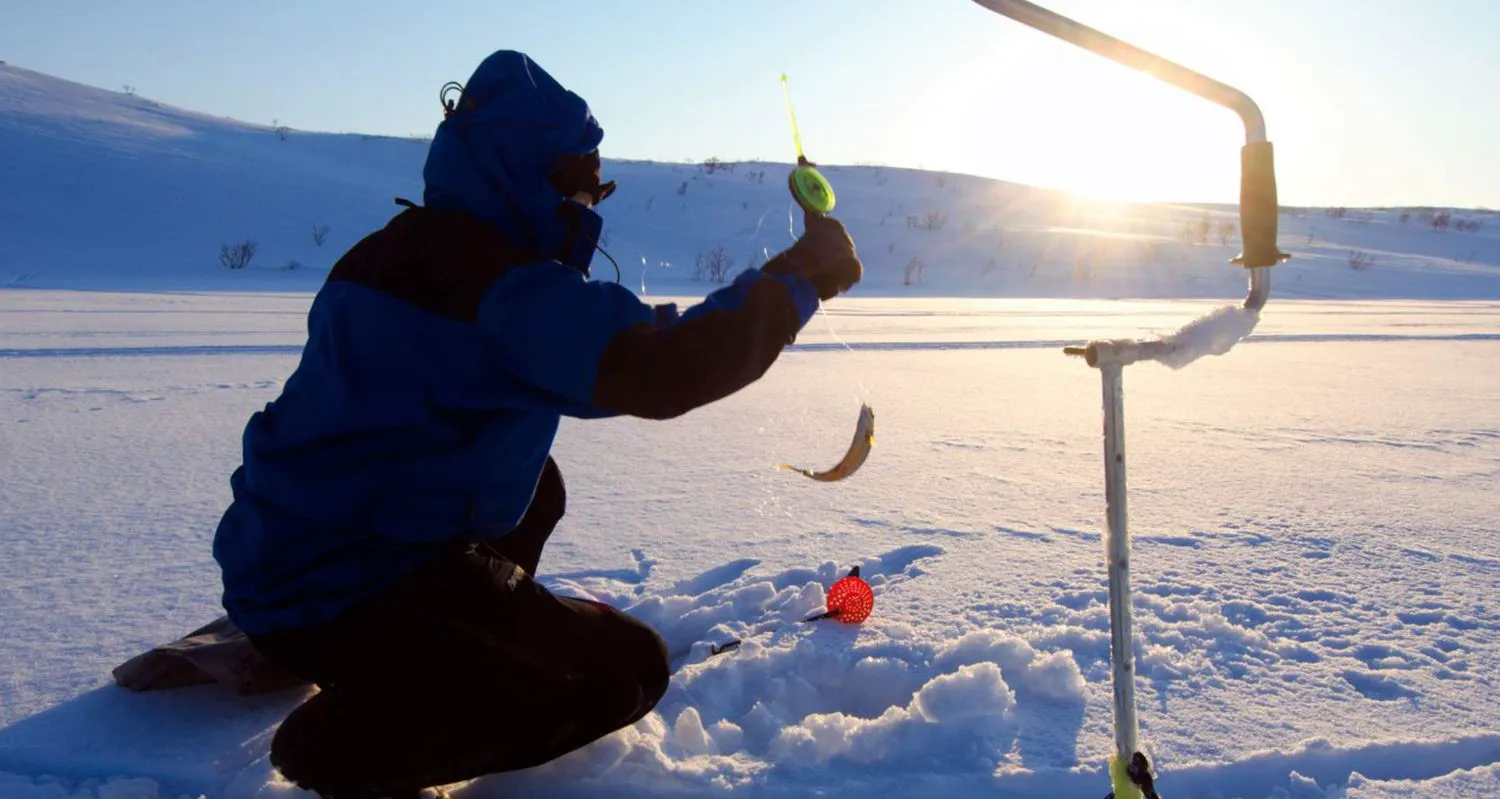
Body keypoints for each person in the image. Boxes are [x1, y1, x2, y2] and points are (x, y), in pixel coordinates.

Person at [208, 50, 862, 798]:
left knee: (532, 481)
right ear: (541, 180)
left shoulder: (404, 250)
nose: (594, 204)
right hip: (338, 587)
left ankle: (434, 644)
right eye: (588, 187)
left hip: (287, 552)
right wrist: (801, 281)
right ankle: (351, 740)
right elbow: (660, 367)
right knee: (625, 671)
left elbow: (576, 343)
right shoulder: (493, 284)